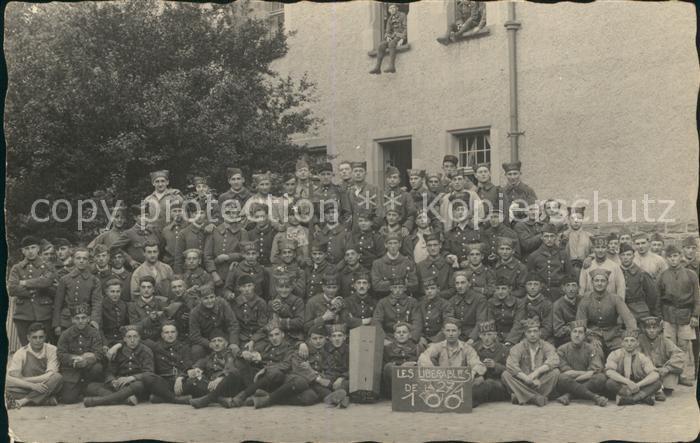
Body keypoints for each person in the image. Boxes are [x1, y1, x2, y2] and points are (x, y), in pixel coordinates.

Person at [656, 244, 699, 385]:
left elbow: (697, 297)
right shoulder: (662, 276)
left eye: (675, 256)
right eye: (669, 257)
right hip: (668, 315)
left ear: (680, 257)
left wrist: (695, 315)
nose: (673, 259)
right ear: (666, 259)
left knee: (684, 346)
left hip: (686, 315)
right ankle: (672, 376)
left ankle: (683, 375)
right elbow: (658, 298)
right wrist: (660, 317)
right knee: (670, 346)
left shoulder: (690, 275)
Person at [8, 236, 56, 345]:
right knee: (26, 349)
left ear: (38, 249)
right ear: (22, 251)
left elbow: (47, 282)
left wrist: (24, 283)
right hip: (23, 315)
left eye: (33, 247)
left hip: (44, 314)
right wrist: (34, 289)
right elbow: (12, 289)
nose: (30, 251)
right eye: (27, 248)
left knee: (44, 348)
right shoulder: (17, 268)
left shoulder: (48, 266)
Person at [576, 268, 637, 355]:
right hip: (594, 336)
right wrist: (590, 338)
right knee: (594, 352)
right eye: (596, 281)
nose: (599, 283)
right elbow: (580, 324)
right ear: (592, 283)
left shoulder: (615, 298)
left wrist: (630, 337)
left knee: (625, 353)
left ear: (607, 283)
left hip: (614, 336)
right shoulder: (585, 300)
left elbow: (629, 319)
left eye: (603, 281)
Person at [501, 318, 560, 406]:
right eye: (529, 332)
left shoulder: (546, 346)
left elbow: (554, 359)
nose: (532, 334)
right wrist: (526, 378)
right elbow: (511, 365)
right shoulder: (518, 347)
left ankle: (521, 396)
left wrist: (537, 372)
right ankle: (534, 398)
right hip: (522, 380)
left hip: (540, 381)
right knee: (506, 375)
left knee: (555, 372)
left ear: (540, 332)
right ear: (525, 333)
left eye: (535, 331)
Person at [5, 322, 63, 409]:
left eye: (41, 337)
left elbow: (50, 375)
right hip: (28, 387)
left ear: (45, 337)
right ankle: (45, 400)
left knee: (57, 377)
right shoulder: (21, 353)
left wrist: (26, 380)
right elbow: (10, 378)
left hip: (45, 385)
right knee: (6, 388)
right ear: (28, 338)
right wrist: (32, 386)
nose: (38, 340)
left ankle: (23, 401)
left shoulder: (52, 350)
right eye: (34, 337)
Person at [56, 304, 105, 404]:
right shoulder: (66, 334)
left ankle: (88, 387)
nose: (80, 321)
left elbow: (99, 353)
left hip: (89, 369)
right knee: (68, 399)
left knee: (98, 368)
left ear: (88, 319)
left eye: (83, 318)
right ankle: (79, 390)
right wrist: (74, 358)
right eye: (77, 318)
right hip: (72, 369)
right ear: (72, 320)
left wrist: (87, 360)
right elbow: (60, 354)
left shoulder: (94, 333)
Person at [554, 320, 608, 407]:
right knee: (562, 378)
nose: (577, 335)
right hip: (569, 381)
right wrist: (586, 373)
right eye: (574, 331)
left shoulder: (591, 348)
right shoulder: (562, 349)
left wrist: (575, 381)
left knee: (601, 378)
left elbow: (594, 370)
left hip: (581, 381)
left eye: (580, 332)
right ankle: (595, 397)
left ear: (584, 335)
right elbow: (567, 373)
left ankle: (569, 395)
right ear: (570, 334)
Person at [53, 248, 103, 339]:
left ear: (89, 261)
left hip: (85, 321)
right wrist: (57, 324)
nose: (81, 261)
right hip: (67, 321)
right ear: (73, 259)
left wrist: (94, 321)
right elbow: (58, 304)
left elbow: (97, 303)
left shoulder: (94, 280)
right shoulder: (65, 279)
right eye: (78, 258)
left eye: (84, 258)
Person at [187, 330, 245, 409]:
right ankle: (221, 400)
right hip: (215, 388)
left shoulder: (230, 354)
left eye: (220, 341)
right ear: (211, 345)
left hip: (230, 387)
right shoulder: (211, 356)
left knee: (232, 375)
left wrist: (221, 377)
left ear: (226, 344)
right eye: (214, 341)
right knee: (194, 380)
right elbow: (201, 362)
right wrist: (195, 369)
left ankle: (206, 400)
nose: (217, 344)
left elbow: (230, 367)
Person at [604, 329, 661, 406]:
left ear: (637, 343)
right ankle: (642, 397)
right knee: (610, 383)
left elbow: (654, 374)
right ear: (622, 343)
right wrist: (627, 382)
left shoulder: (642, 357)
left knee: (657, 383)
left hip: (638, 385)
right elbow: (609, 371)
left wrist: (638, 385)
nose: (629, 344)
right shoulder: (615, 354)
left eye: (632, 341)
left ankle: (631, 399)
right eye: (626, 341)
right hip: (622, 384)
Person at [203, 204, 248, 296]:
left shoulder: (242, 232)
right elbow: (207, 256)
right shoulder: (214, 231)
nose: (232, 215)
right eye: (228, 213)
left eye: (235, 213)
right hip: (217, 273)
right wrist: (214, 273)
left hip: (235, 273)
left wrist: (228, 257)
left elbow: (245, 254)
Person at [637, 316, 685, 400]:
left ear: (659, 329)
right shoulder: (640, 340)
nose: (652, 331)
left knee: (669, 386)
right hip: (647, 372)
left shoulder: (664, 340)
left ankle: (654, 390)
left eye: (654, 328)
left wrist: (667, 368)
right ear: (644, 329)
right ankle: (653, 391)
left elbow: (679, 354)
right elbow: (636, 356)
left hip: (663, 371)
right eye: (648, 328)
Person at [150, 323, 195, 403]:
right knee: (150, 380)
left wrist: (180, 377)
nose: (170, 335)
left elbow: (188, 366)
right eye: (166, 333)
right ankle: (178, 399)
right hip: (164, 381)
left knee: (194, 382)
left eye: (173, 332)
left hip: (181, 381)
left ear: (177, 333)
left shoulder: (184, 347)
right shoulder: (156, 348)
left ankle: (162, 398)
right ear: (162, 335)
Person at [527, 223, 573, 302]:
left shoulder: (563, 254)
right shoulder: (534, 256)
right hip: (541, 295)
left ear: (556, 237)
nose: (549, 239)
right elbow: (531, 278)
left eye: (552, 236)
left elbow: (569, 275)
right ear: (541, 237)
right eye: (546, 236)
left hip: (559, 294)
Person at [189, 292, 241, 360]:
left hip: (225, 338)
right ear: (200, 299)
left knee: (236, 350)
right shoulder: (194, 313)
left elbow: (233, 324)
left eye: (212, 297)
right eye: (206, 298)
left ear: (215, 297)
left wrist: (233, 342)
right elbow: (195, 335)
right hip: (207, 340)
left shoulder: (222, 304)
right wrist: (209, 344)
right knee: (196, 350)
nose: (210, 301)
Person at [505, 274, 553, 345]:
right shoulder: (521, 302)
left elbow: (547, 328)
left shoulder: (547, 304)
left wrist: (531, 339)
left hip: (541, 337)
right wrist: (510, 341)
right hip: (523, 336)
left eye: (536, 284)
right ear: (525, 286)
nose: (532, 287)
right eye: (529, 284)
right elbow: (518, 324)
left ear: (540, 287)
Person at [471, 320, 510, 406]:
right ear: (479, 336)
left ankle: (470, 401)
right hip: (478, 380)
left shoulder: (503, 349)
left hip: (498, 383)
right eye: (484, 335)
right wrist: (478, 376)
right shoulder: (474, 348)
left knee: (489, 384)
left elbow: (510, 370)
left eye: (489, 334)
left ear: (495, 335)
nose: (486, 338)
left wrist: (495, 366)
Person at [373, 278, 422, 342]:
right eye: (395, 287)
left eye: (400, 287)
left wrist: (412, 337)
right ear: (390, 288)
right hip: (389, 337)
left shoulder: (412, 302)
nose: (398, 290)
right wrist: (383, 338)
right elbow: (377, 322)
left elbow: (417, 322)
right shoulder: (383, 302)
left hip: (408, 336)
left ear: (405, 288)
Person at [619, 242, 659, 321]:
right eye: (623, 255)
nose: (626, 258)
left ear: (633, 256)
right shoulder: (616, 272)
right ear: (619, 257)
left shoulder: (642, 274)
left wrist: (649, 311)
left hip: (640, 312)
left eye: (628, 255)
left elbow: (652, 295)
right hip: (621, 313)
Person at [371, 232, 419, 298]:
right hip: (384, 299)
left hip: (404, 299)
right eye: (390, 243)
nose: (393, 246)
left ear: (400, 244)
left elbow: (414, 285)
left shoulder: (408, 262)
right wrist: (402, 282)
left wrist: (386, 283)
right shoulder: (377, 263)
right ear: (385, 245)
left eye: (395, 243)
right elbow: (376, 286)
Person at [229, 274, 269, 350]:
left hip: (258, 337)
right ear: (239, 288)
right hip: (241, 337)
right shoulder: (235, 303)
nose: (247, 289)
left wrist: (253, 340)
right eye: (243, 286)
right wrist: (234, 342)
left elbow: (263, 326)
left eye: (249, 285)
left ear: (254, 286)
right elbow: (233, 325)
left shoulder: (260, 303)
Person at [579, 235, 625, 299]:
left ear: (607, 248)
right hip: (591, 304)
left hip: (610, 304)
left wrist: (619, 305)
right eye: (597, 247)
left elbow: (621, 288)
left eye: (603, 247)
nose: (600, 250)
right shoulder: (587, 266)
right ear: (593, 249)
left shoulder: (614, 266)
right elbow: (582, 288)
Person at [448, 271, 490, 343]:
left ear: (469, 283)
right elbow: (450, 322)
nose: (460, 286)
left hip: (475, 336)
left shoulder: (480, 299)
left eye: (463, 283)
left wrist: (472, 338)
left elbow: (481, 321)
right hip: (457, 336)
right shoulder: (452, 301)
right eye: (457, 283)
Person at [382, 322, 419, 396]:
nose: (401, 334)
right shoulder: (387, 349)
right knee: (389, 366)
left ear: (409, 335)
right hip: (393, 384)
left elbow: (421, 362)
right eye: (398, 332)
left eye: (404, 332)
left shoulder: (416, 348)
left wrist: (414, 364)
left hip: (412, 381)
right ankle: (396, 394)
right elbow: (384, 367)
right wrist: (401, 366)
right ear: (395, 335)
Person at [142, 169, 184, 234]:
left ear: (167, 182)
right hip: (153, 234)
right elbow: (144, 218)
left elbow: (183, 214)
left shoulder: (175, 196)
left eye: (163, 181)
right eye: (157, 181)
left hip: (171, 232)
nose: (160, 184)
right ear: (153, 183)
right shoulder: (148, 199)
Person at [369, 3, 406, 74]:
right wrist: (388, 36)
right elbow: (387, 31)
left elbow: (406, 28)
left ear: (397, 8)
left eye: (393, 8)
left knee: (391, 44)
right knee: (381, 45)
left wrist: (402, 39)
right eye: (390, 8)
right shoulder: (390, 19)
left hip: (400, 37)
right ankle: (377, 68)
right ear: (389, 10)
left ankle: (392, 66)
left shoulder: (402, 15)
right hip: (393, 37)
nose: (392, 10)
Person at [416, 233, 454, 300]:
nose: (432, 248)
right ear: (426, 247)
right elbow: (417, 290)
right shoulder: (420, 266)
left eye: (435, 245)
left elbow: (452, 289)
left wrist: (437, 294)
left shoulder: (448, 265)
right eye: (429, 245)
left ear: (440, 245)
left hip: (444, 303)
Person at [268, 275, 305, 343]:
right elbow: (271, 322)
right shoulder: (272, 303)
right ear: (276, 288)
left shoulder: (298, 302)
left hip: (294, 336)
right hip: (276, 337)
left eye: (287, 287)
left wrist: (281, 322)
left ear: (291, 288)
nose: (284, 290)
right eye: (281, 287)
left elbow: (300, 322)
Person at [417, 276, 454, 346]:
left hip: (439, 339)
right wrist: (420, 337)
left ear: (438, 289)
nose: (429, 291)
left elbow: (447, 325)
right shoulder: (420, 304)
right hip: (423, 338)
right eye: (427, 289)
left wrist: (435, 341)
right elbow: (417, 323)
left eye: (432, 288)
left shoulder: (446, 305)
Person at [346, 161, 382, 231]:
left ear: (365, 173)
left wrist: (373, 225)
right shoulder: (348, 191)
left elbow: (379, 211)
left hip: (370, 230)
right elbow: (346, 212)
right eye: (355, 171)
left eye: (361, 171)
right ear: (352, 174)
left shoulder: (374, 189)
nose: (358, 173)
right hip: (353, 231)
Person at [174, 208, 210, 273]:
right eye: (195, 213)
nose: (199, 216)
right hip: (189, 272)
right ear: (191, 215)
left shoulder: (210, 230)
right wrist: (178, 273)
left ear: (205, 215)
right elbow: (178, 256)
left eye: (201, 213)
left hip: (207, 271)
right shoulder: (184, 233)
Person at [561, 206, 591, 278]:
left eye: (579, 218)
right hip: (567, 270)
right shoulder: (563, 236)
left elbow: (595, 251)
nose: (576, 221)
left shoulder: (589, 236)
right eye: (572, 218)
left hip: (585, 269)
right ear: (569, 219)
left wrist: (590, 257)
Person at [551, 276, 580, 346]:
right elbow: (558, 331)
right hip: (565, 339)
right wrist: (575, 328)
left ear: (578, 288)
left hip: (581, 336)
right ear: (563, 288)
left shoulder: (582, 301)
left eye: (574, 285)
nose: (571, 289)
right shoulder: (557, 305)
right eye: (568, 286)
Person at [101, 278, 130, 347]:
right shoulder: (101, 306)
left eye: (118, 291)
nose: (115, 294)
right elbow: (99, 329)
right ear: (106, 292)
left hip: (122, 339)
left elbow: (127, 324)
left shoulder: (124, 305)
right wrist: (105, 344)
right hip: (107, 340)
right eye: (112, 291)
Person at [160, 201, 189, 271]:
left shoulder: (188, 228)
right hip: (169, 265)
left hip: (187, 264)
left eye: (180, 211)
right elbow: (161, 249)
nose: (177, 213)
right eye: (174, 211)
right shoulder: (165, 230)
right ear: (170, 213)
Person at [489, 276, 518, 341]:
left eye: (504, 289)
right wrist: (495, 339)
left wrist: (509, 340)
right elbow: (490, 322)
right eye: (497, 289)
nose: (500, 292)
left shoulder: (518, 302)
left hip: (514, 337)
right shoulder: (490, 302)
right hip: (496, 337)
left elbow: (517, 324)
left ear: (510, 289)